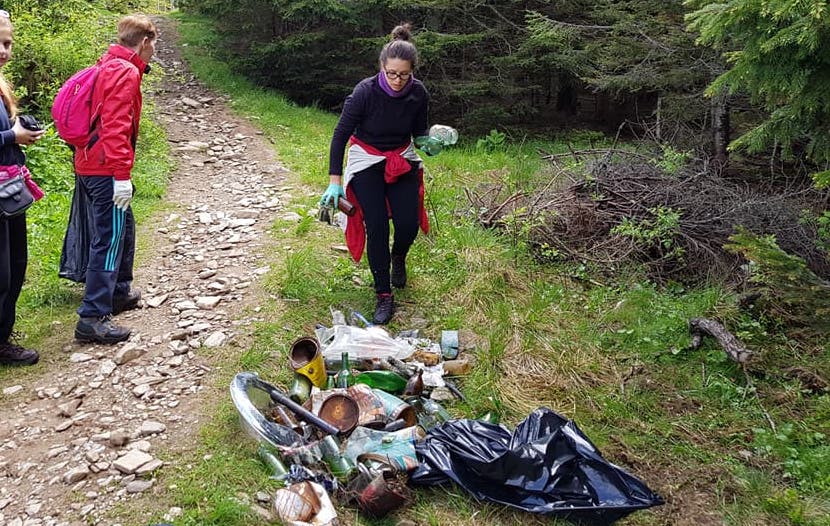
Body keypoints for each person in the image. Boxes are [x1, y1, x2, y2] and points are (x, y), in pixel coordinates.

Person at [321, 23, 430, 325]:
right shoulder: (364, 92)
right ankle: (383, 294)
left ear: (412, 71)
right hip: (367, 158)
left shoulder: (418, 93)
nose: (397, 80)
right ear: (382, 67)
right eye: (392, 73)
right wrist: (334, 182)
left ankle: (399, 257)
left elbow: (419, 132)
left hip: (400, 156)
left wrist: (428, 143)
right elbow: (340, 134)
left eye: (404, 74)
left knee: (407, 224)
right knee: (377, 226)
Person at [72, 15, 156, 344]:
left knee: (124, 226)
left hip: (90, 162)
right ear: (145, 42)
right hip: (104, 167)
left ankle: (118, 291)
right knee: (108, 238)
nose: (153, 51)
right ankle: (93, 317)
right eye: (154, 45)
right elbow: (115, 126)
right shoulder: (125, 71)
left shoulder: (108, 62)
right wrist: (121, 175)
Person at [0, 9, 46, 366]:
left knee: (16, 264)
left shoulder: (1, 84)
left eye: (8, 43)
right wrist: (10, 135)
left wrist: (20, 131)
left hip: (9, 192)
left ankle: (4, 333)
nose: (4, 50)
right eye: (0, 43)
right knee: (2, 271)